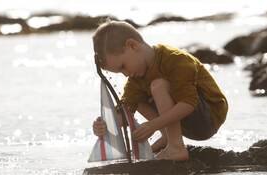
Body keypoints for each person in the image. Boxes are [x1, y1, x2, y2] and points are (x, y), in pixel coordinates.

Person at [91, 20, 228, 161]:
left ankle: (176, 147)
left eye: (123, 66)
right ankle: (167, 139)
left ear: (132, 45)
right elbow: (126, 110)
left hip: (208, 116)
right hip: (184, 120)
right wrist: (105, 125)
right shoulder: (136, 78)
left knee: (158, 85)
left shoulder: (176, 60)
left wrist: (153, 125)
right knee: (136, 99)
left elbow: (188, 104)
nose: (125, 74)